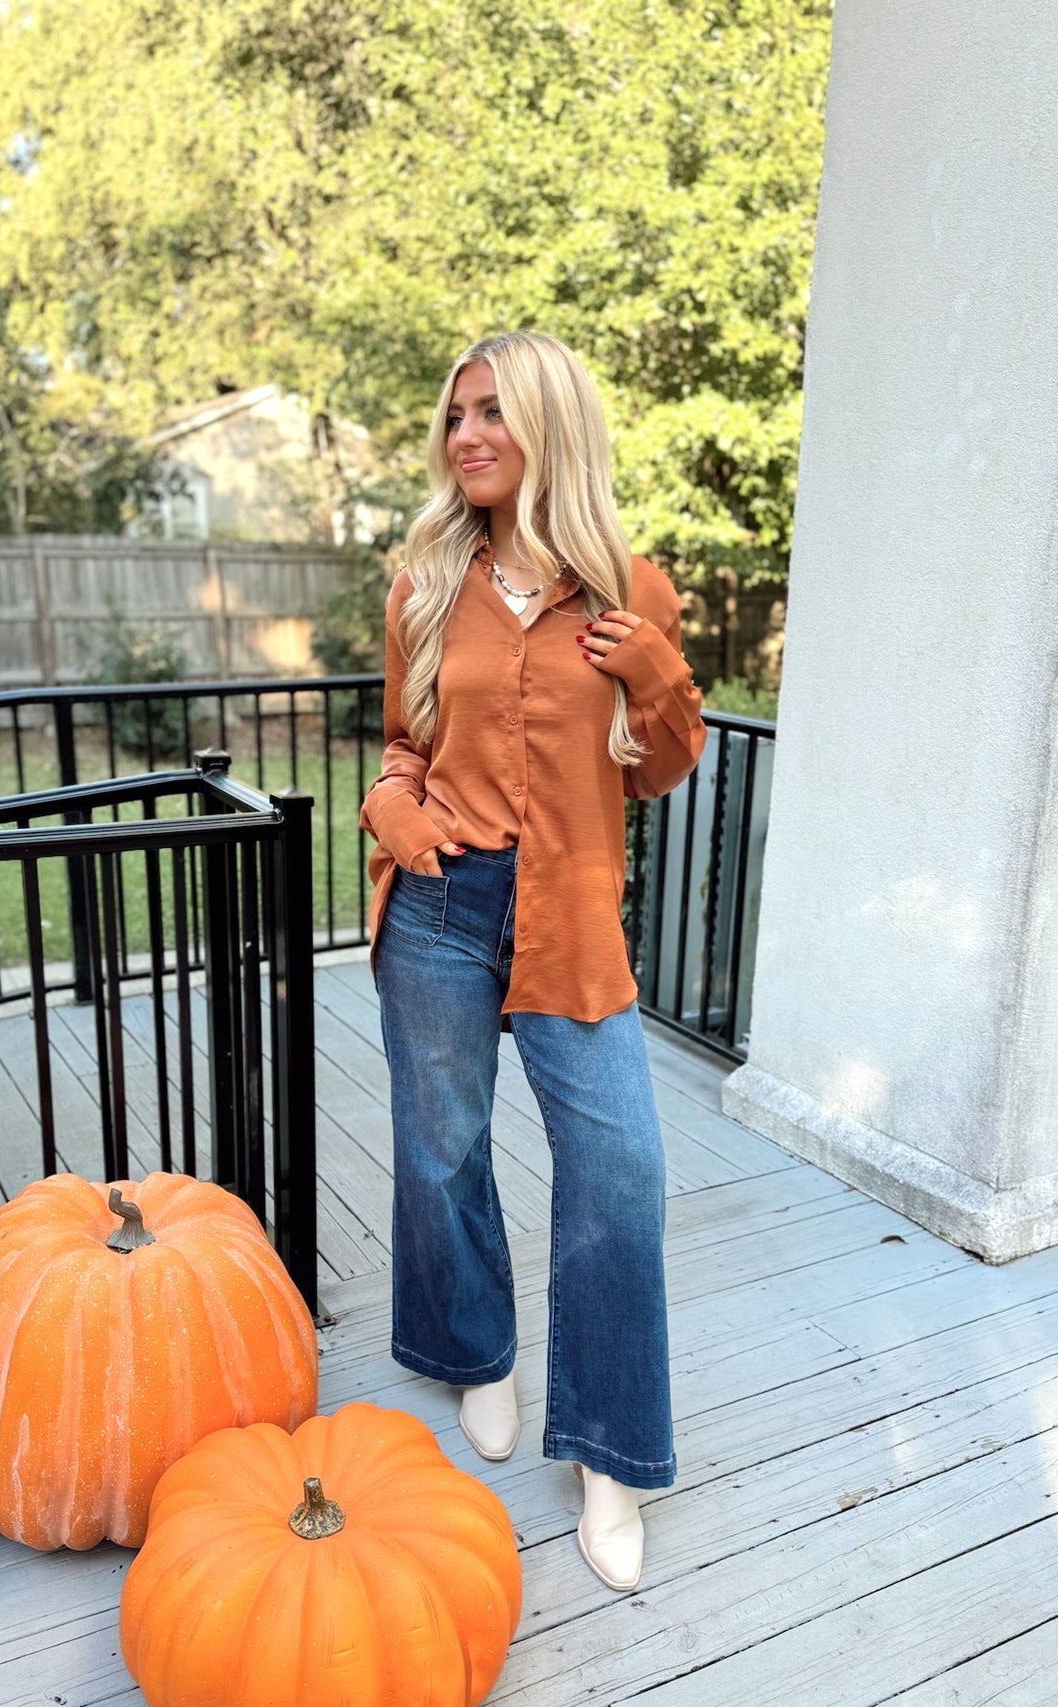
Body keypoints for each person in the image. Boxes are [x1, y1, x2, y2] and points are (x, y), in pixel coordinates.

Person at [358, 329, 708, 1591]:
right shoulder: (422, 587)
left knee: (617, 1170)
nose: (466, 436)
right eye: (454, 415)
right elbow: (403, 742)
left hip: (569, 918)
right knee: (440, 1145)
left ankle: (609, 1453)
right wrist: (391, 811)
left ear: (550, 423)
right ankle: (474, 1349)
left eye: (493, 411)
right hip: (441, 906)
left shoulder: (629, 589)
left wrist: (659, 674)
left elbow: (664, 766)